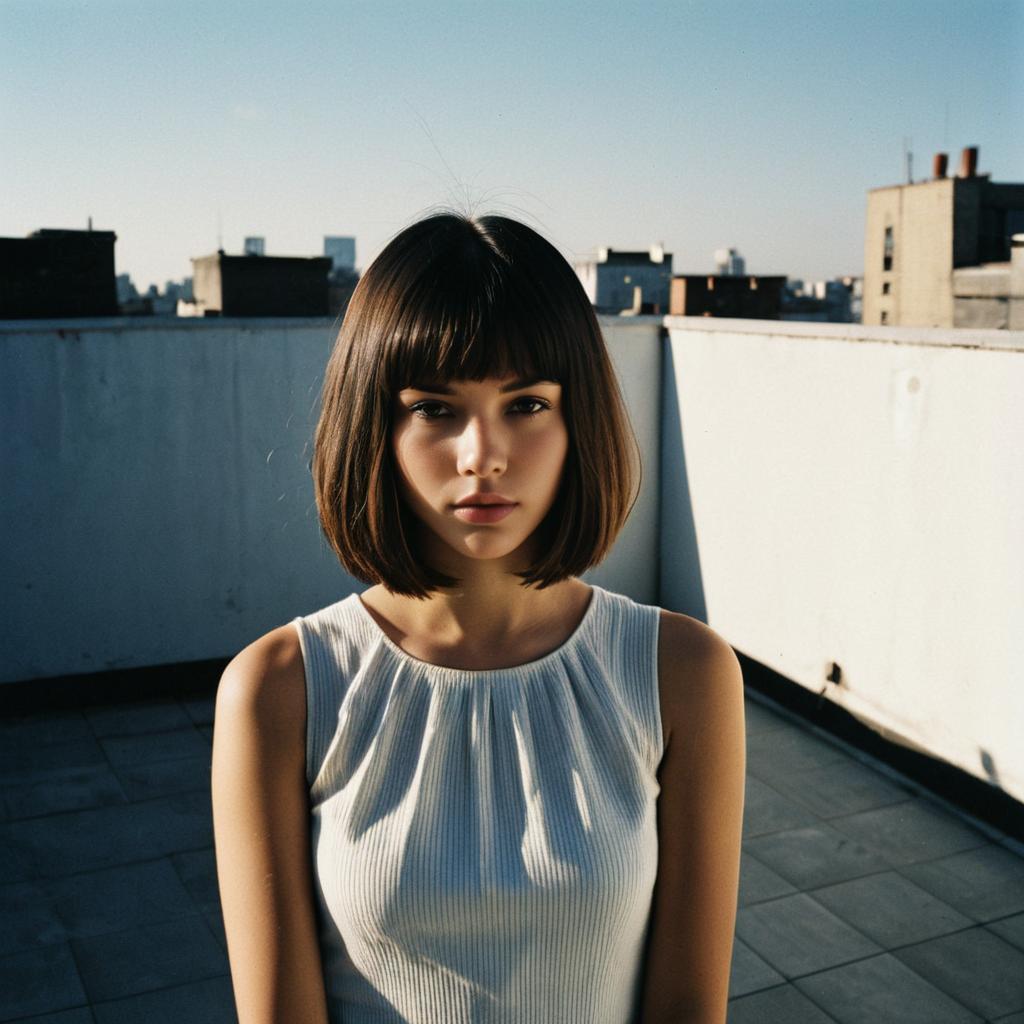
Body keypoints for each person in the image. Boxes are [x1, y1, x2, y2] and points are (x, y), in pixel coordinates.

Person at [211, 212, 746, 1024]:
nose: (481, 455)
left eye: (527, 403)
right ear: (376, 426)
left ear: (579, 420)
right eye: (433, 408)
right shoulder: (279, 690)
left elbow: (687, 1008)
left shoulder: (684, 674)